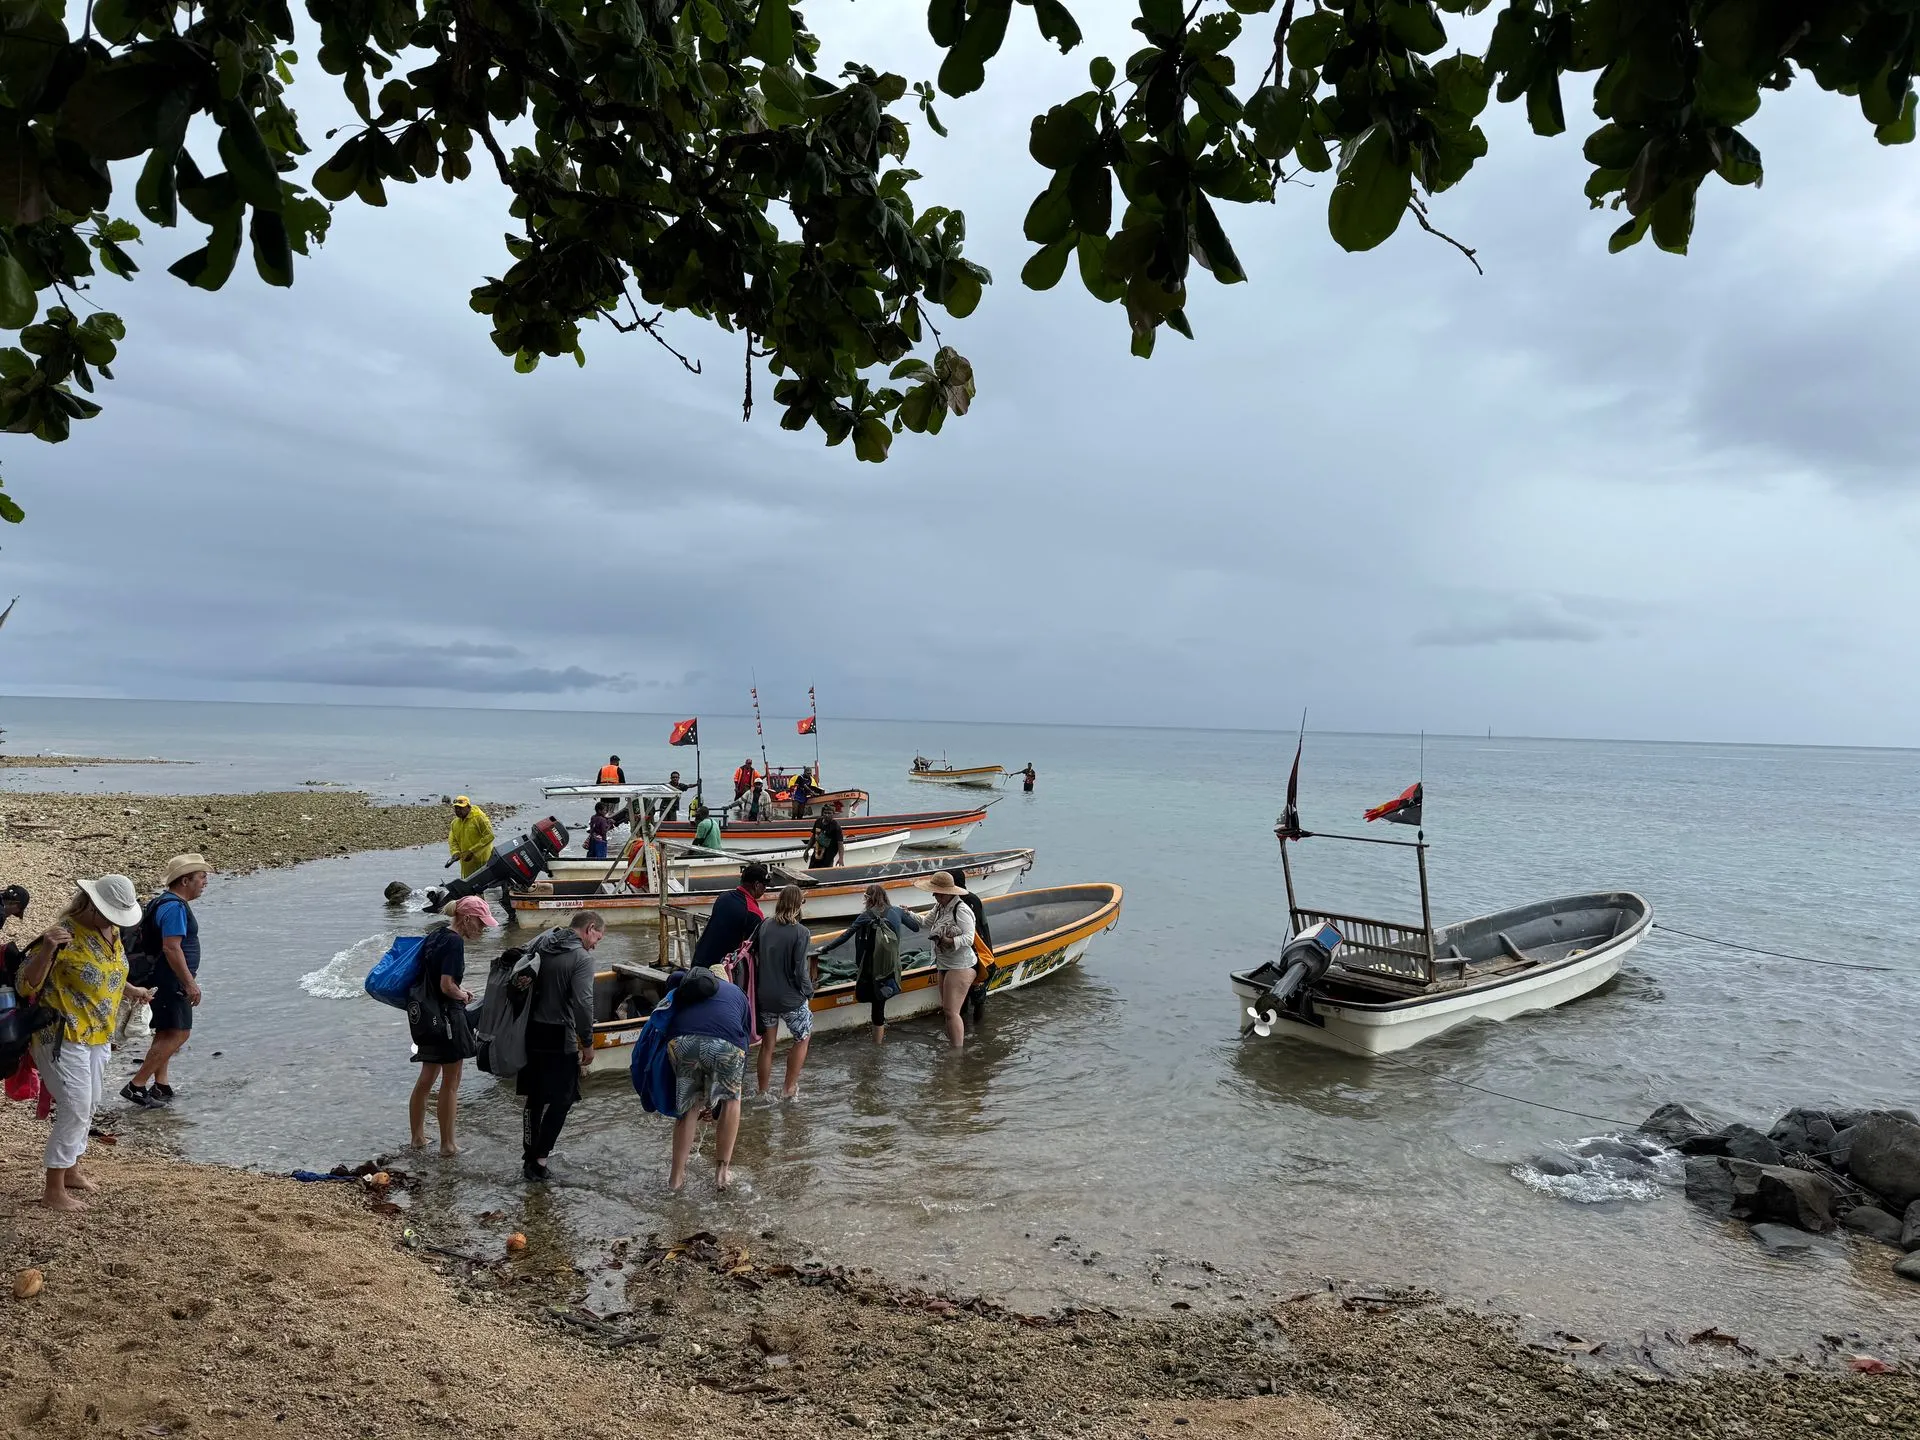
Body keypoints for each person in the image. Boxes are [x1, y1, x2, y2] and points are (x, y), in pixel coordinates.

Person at [16, 875, 151, 1210]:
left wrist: (132, 991)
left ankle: (72, 1170)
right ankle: (53, 1190)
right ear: (91, 904)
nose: (114, 919)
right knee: (75, 1106)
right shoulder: (61, 936)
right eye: (110, 912)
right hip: (61, 1034)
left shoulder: (112, 932)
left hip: (98, 1033)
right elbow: (25, 985)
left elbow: (109, 972)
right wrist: (48, 949)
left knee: (89, 1104)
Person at [121, 853, 212, 1108]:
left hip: (161, 976)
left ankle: (161, 1084)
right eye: (201, 877)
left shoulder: (161, 901)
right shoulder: (174, 907)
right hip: (170, 978)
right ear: (185, 881)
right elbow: (172, 947)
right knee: (180, 1033)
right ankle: (136, 1085)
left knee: (167, 1031)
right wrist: (189, 983)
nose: (205, 882)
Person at [517, 912, 603, 1181]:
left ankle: (529, 1155)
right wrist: (587, 1042)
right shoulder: (581, 958)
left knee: (535, 1096)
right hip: (559, 1033)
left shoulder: (543, 945)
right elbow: (583, 1003)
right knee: (563, 1099)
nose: (595, 945)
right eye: (597, 938)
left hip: (531, 1030)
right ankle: (540, 1160)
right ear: (589, 928)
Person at [407, 895, 495, 1154]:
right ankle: (448, 1145)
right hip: (447, 1019)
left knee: (426, 1078)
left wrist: (458, 989)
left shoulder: (436, 935)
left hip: (425, 1016)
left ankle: (417, 1139)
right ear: (466, 918)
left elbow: (432, 978)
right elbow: (446, 986)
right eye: (480, 923)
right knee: (451, 1080)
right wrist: (463, 995)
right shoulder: (455, 942)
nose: (483, 928)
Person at [663, 966, 752, 1190]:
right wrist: (720, 1103)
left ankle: (676, 1179)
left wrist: (705, 1100)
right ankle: (721, 1175)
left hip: (680, 1043)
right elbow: (744, 1043)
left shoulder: (687, 987)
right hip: (726, 1045)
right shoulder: (737, 994)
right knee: (732, 1100)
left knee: (689, 1108)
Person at [817, 885, 921, 1043]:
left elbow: (846, 935)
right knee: (880, 1004)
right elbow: (915, 928)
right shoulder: (897, 911)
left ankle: (877, 1045)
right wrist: (906, 912)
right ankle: (879, 1042)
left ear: (868, 899)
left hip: (872, 967)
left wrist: (825, 949)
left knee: (876, 1006)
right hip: (892, 965)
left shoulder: (866, 916)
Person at [752, 885, 815, 1100]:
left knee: (767, 1046)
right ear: (798, 905)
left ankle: (762, 1092)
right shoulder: (801, 932)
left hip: (765, 995)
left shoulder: (764, 925)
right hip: (790, 998)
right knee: (802, 1037)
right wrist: (809, 991)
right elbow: (800, 971)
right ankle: (788, 1089)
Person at [919, 872, 976, 1048]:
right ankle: (954, 1046)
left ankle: (957, 1053)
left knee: (952, 1011)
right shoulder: (939, 907)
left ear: (946, 893)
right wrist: (907, 914)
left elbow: (970, 938)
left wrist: (950, 941)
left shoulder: (961, 909)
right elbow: (925, 922)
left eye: (936, 893)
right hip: (944, 962)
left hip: (961, 964)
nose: (934, 895)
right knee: (947, 1010)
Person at [691, 862, 769, 977]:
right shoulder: (753, 912)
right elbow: (753, 949)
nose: (765, 889)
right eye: (765, 885)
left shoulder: (724, 897)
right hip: (719, 972)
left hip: (699, 961)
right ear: (757, 885)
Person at [947, 867, 994, 1030]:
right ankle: (970, 1032)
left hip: (978, 955)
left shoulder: (967, 902)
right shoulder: (961, 900)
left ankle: (976, 1030)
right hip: (967, 955)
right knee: (965, 997)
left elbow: (975, 933)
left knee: (977, 996)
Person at [447, 797, 494, 879]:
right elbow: (452, 840)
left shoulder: (479, 818)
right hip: (466, 862)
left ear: (468, 807)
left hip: (482, 860)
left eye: (461, 808)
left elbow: (489, 836)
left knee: (485, 883)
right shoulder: (455, 823)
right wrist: (455, 852)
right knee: (468, 884)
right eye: (456, 808)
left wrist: (472, 851)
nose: (458, 810)